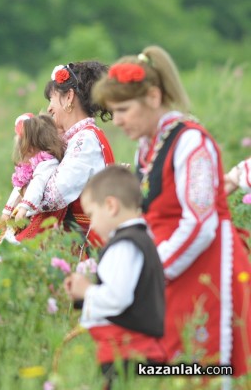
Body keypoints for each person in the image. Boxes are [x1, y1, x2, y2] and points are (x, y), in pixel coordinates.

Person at [92, 45, 251, 379]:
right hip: (168, 266)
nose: (117, 120)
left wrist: (148, 274)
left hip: (202, 266)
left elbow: (200, 224)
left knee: (197, 363)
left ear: (152, 97)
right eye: (113, 111)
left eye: (123, 109)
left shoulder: (192, 142)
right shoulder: (147, 146)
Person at [64, 165, 166, 389]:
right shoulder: (141, 239)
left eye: (91, 214)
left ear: (110, 206)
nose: (92, 224)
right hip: (134, 349)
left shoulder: (124, 246)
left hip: (127, 351)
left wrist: (86, 291)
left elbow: (117, 298)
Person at [39, 61, 116, 248]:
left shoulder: (85, 141)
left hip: (83, 245)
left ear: (69, 97)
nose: (49, 108)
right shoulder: (77, 138)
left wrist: (30, 187)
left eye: (52, 99)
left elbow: (52, 196)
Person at [0, 113, 66, 242]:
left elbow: (37, 185)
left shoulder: (47, 164)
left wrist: (24, 207)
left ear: (31, 148)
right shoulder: (31, 166)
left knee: (19, 242)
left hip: (40, 218)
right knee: (9, 237)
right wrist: (7, 211)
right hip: (29, 214)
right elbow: (18, 188)